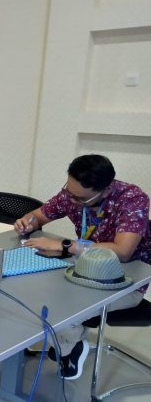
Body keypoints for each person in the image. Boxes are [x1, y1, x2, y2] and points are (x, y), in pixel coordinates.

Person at [15, 154, 150, 380]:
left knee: (66, 306)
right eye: (68, 191)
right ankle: (66, 342)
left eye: (79, 199)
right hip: (81, 269)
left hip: (123, 280)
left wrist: (66, 245)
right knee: (32, 289)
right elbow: (39, 216)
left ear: (105, 191)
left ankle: (69, 345)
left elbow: (123, 251)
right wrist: (27, 222)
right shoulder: (72, 194)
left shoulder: (132, 199)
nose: (70, 199)